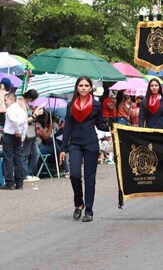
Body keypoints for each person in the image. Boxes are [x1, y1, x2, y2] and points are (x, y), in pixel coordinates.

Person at [58, 76, 111, 222]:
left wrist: (111, 126)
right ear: (77, 88)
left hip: (91, 143)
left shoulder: (95, 105)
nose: (83, 88)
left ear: (90, 88)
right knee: (74, 175)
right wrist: (63, 148)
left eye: (86, 85)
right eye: (80, 85)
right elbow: (67, 126)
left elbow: (100, 124)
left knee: (89, 178)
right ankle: (78, 203)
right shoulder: (71, 105)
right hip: (75, 143)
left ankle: (89, 210)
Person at [2, 91, 42, 189]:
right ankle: (19, 182)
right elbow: (24, 124)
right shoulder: (21, 110)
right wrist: (21, 136)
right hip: (18, 137)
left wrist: (17, 131)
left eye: (6, 100)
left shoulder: (11, 109)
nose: (5, 102)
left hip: (10, 135)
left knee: (8, 158)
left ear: (11, 100)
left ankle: (9, 183)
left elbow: (15, 121)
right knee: (18, 158)